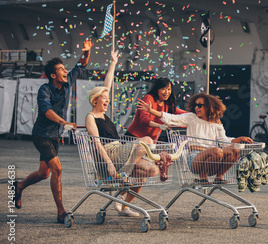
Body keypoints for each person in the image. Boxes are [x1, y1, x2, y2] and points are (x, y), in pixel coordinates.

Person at [13, 39, 93, 224]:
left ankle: (18, 186)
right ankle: (61, 212)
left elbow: (80, 65)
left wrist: (86, 51)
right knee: (57, 169)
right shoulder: (44, 89)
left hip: (55, 136)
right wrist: (64, 122)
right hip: (41, 135)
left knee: (44, 173)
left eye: (65, 69)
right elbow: (47, 111)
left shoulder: (67, 83)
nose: (65, 71)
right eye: (61, 70)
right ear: (52, 75)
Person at [85, 49, 159, 217]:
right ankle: (123, 174)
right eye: (104, 98)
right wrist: (109, 165)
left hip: (120, 151)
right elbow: (97, 143)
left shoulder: (104, 114)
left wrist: (113, 63)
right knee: (146, 140)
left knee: (151, 170)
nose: (107, 100)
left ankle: (124, 204)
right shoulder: (91, 117)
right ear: (95, 100)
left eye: (107, 98)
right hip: (110, 154)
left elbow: (107, 85)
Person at [138, 92, 253, 185]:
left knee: (235, 149)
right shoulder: (191, 117)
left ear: (209, 107)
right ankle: (203, 177)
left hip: (214, 159)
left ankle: (219, 177)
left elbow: (223, 140)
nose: (196, 108)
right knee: (217, 150)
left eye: (200, 105)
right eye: (195, 105)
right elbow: (172, 118)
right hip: (195, 159)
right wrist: (151, 111)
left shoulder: (217, 122)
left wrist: (238, 139)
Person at [111, 78, 188, 212]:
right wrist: (160, 125)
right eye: (163, 88)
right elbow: (144, 119)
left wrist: (196, 116)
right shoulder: (148, 98)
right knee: (137, 173)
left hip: (149, 144)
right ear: (157, 89)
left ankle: (125, 205)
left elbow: (180, 114)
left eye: (169, 89)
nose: (166, 92)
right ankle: (121, 190)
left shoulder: (168, 105)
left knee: (144, 175)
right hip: (135, 140)